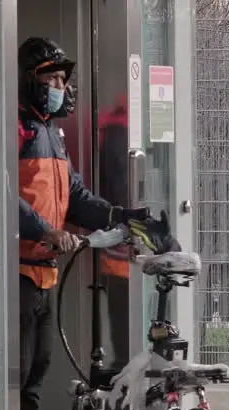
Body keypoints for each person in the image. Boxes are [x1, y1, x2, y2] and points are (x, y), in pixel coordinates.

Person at [16, 37, 147, 410]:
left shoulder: (53, 134)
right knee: (17, 378)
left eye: (61, 79)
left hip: (44, 274)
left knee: (35, 377)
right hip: (18, 272)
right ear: (30, 79)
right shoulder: (18, 128)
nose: (58, 86)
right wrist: (44, 231)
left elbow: (75, 197)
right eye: (49, 78)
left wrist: (122, 218)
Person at [97, 97, 133, 369]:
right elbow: (119, 189)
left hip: (119, 248)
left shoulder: (113, 127)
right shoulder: (120, 131)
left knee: (122, 319)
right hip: (122, 247)